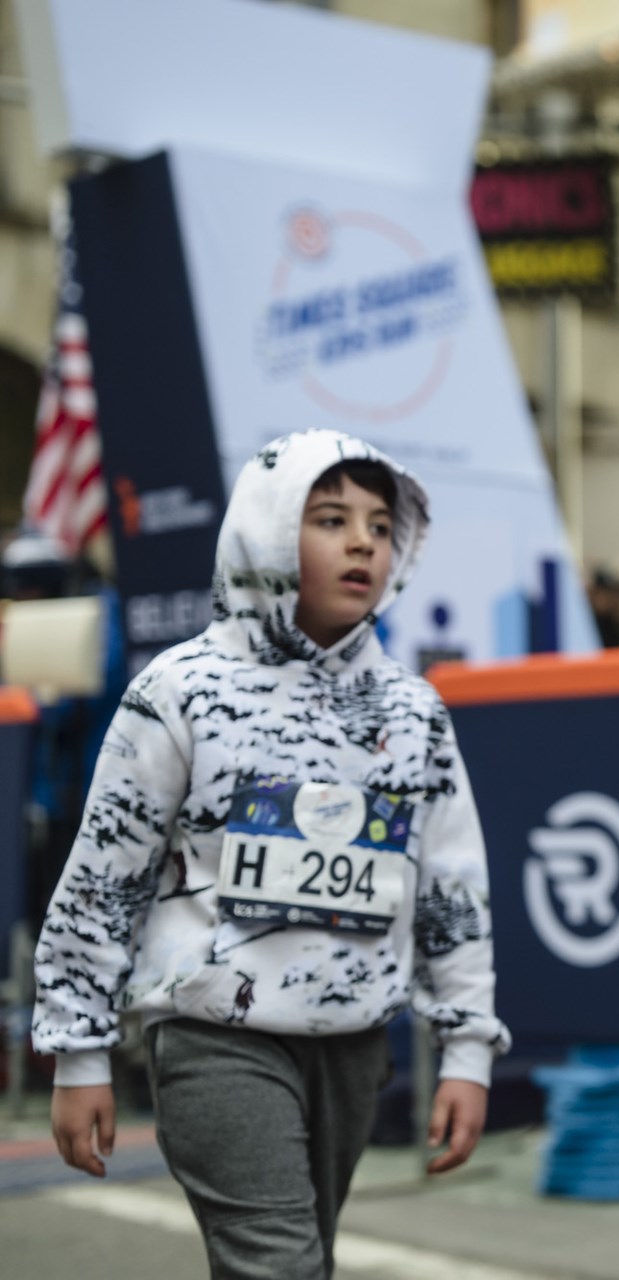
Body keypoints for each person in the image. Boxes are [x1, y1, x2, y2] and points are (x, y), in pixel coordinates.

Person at [31, 430, 509, 1278]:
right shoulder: (179, 691)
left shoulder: (414, 710)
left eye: (378, 524)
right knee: (280, 1267)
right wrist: (79, 1050)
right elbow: (105, 875)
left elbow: (450, 891)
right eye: (330, 519)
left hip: (356, 1045)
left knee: (294, 1262)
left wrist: (466, 1050)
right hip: (216, 1037)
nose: (364, 540)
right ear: (263, 533)